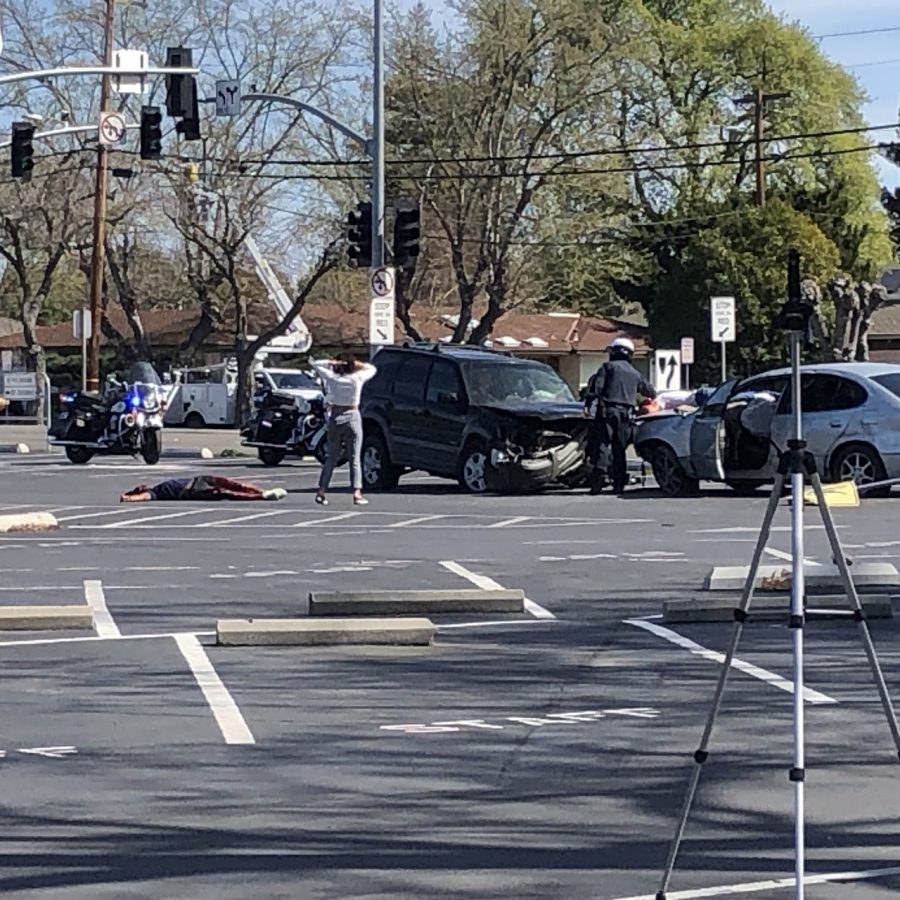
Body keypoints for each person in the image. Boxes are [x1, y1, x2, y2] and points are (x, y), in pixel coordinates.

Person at [583, 337, 656, 494]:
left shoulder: (607, 367)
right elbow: (650, 391)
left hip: (607, 412)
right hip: (626, 414)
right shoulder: (634, 373)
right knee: (619, 449)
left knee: (602, 445)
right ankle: (619, 484)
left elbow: (596, 388)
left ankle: (597, 483)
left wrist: (588, 404)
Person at [311, 354, 377, 506]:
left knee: (332, 458)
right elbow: (372, 368)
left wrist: (332, 362)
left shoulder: (333, 379)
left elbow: (316, 364)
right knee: (354, 458)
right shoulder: (357, 378)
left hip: (336, 415)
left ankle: (321, 491)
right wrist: (356, 364)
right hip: (352, 414)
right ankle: (357, 493)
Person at [120, 476, 287, 503]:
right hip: (192, 490)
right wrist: (130, 498)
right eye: (138, 489)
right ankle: (260, 497)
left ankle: (261, 491)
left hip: (199, 479)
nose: (140, 487)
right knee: (226, 493)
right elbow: (144, 497)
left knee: (232, 483)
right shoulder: (155, 493)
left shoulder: (157, 486)